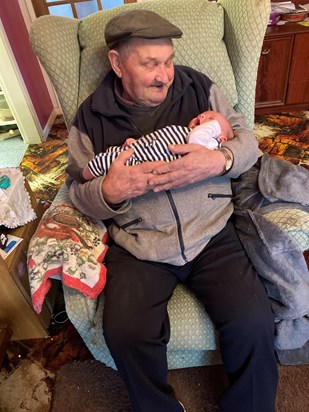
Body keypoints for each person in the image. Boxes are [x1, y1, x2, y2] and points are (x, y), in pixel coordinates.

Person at [66, 9, 278, 412]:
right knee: (125, 332)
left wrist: (220, 161)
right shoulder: (89, 120)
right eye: (150, 64)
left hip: (213, 231)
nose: (165, 74)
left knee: (253, 323)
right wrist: (108, 192)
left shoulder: (197, 86)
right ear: (117, 63)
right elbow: (76, 190)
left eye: (168, 60)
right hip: (140, 243)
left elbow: (247, 139)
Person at [67, 110, 234, 182]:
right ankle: (88, 174)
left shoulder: (209, 144)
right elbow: (160, 140)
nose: (202, 115)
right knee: (112, 155)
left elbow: (196, 139)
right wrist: (139, 142)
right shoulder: (189, 132)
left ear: (222, 138)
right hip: (142, 149)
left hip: (143, 161)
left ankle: (84, 176)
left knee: (105, 161)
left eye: (210, 117)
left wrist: (213, 127)